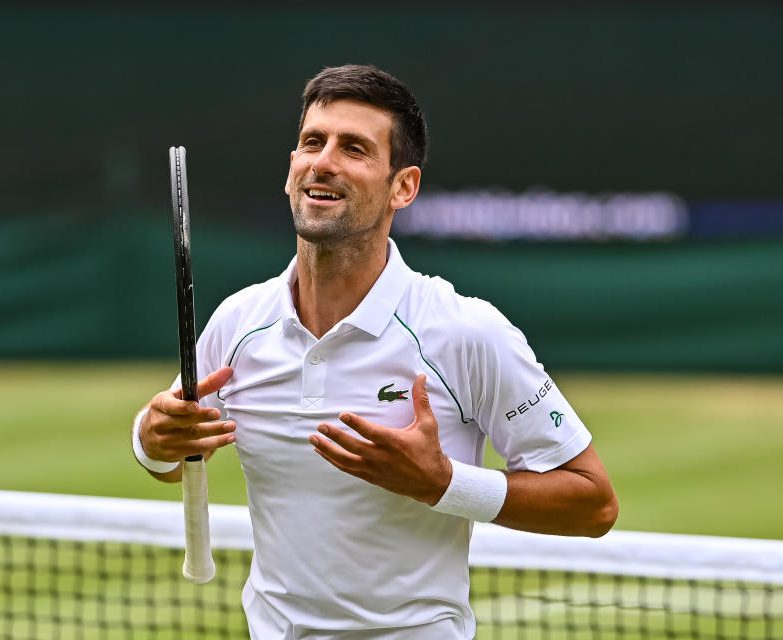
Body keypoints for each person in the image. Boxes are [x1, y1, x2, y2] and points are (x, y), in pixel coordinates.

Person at [132, 64, 618, 639]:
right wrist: (152, 439)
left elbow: (593, 504)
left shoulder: (467, 332)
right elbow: (173, 456)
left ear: (402, 187)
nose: (324, 161)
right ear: (291, 170)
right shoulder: (237, 322)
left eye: (354, 149)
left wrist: (442, 484)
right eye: (313, 142)